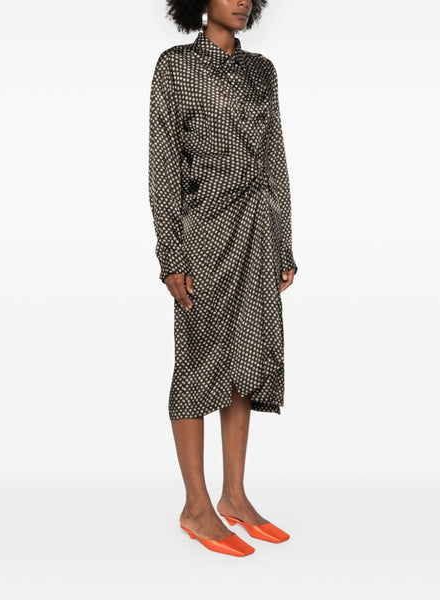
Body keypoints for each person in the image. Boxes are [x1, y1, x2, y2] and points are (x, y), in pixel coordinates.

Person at [148, 0, 298, 556]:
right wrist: (172, 255)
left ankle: (234, 496)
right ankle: (195, 506)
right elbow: (163, 164)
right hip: (205, 232)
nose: (242, 1)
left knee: (247, 357)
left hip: (258, 229)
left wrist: (283, 241)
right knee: (198, 362)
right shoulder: (175, 66)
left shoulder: (263, 71)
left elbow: (275, 160)